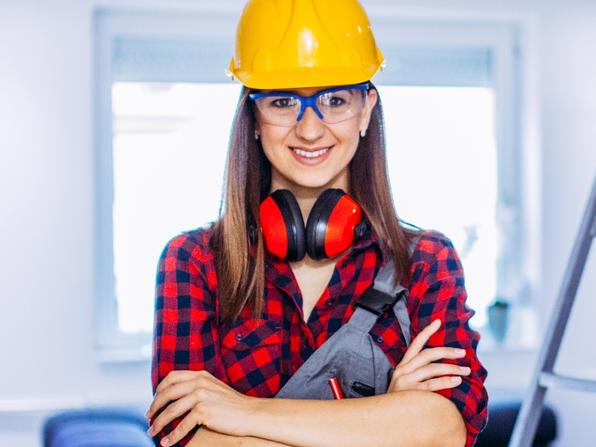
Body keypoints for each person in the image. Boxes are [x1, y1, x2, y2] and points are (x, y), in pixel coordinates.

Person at [146, 1, 488, 446]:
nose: (310, 129)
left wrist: (243, 412)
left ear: (366, 109)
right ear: (253, 116)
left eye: (336, 100)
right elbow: (185, 437)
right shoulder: (194, 261)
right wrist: (384, 421)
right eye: (284, 101)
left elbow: (445, 427)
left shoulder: (425, 261)